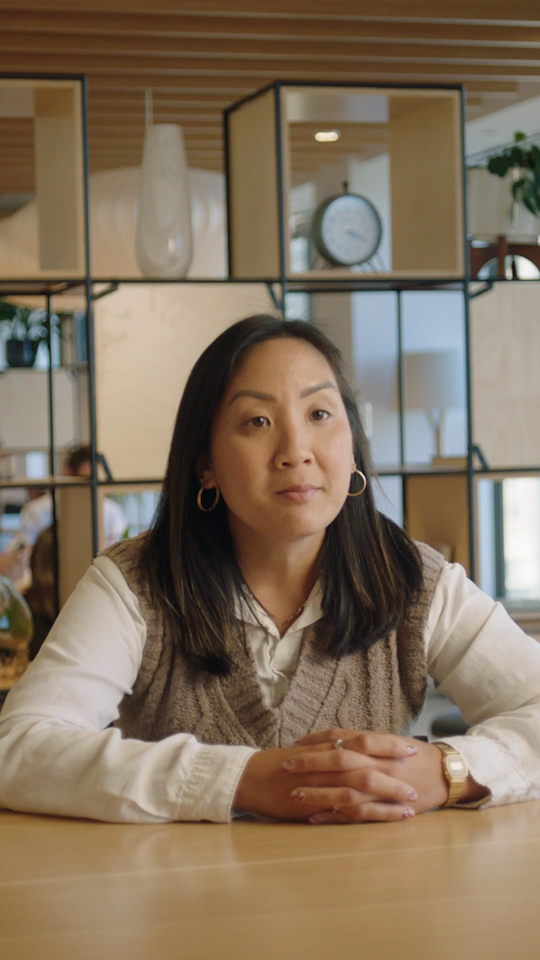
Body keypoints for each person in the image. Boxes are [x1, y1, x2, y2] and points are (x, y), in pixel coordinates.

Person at [0, 314, 539, 825]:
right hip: (184, 908)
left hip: (375, 905)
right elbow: (19, 746)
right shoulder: (137, 583)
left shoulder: (415, 581)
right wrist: (241, 780)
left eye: (319, 414)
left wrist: (448, 771)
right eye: (257, 421)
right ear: (204, 464)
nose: (295, 450)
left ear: (352, 445)